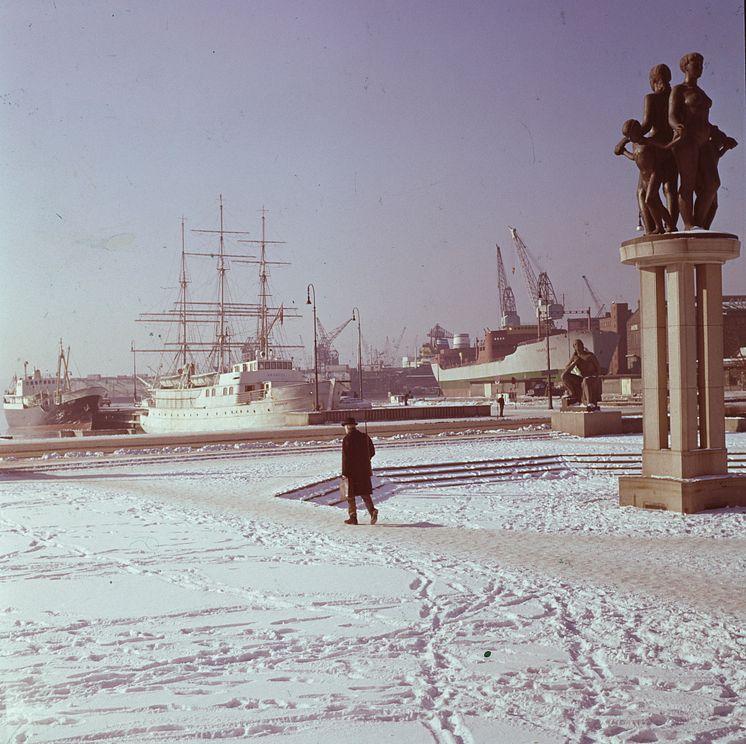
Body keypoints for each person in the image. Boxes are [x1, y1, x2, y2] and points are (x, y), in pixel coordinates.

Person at [668, 52, 737, 230]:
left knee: (713, 183)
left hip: (704, 141)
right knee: (688, 183)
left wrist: (722, 137)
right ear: (685, 67)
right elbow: (672, 116)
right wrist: (677, 126)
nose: (699, 68)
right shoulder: (679, 90)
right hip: (687, 141)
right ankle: (689, 224)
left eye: (701, 64)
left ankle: (699, 224)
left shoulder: (701, 93)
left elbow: (705, 122)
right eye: (696, 64)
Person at [615, 64, 679, 230]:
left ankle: (651, 230)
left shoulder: (651, 98)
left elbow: (645, 125)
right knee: (670, 189)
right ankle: (669, 227)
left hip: (655, 151)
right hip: (674, 147)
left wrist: (625, 140)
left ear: (654, 81)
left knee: (642, 193)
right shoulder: (676, 96)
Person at [616, 118, 679, 234]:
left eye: (630, 136)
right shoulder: (635, 145)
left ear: (637, 132)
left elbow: (666, 147)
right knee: (654, 202)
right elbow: (634, 157)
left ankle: (665, 226)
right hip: (645, 178)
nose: (629, 139)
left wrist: (678, 138)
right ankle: (663, 226)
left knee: (650, 199)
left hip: (654, 174)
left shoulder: (649, 142)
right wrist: (624, 152)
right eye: (627, 137)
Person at [341, 416, 377, 525]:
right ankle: (372, 511)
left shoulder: (347, 439)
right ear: (354, 426)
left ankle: (353, 517)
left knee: (350, 496)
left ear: (347, 427)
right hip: (364, 471)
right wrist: (365, 460)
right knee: (365, 493)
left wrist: (344, 473)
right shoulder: (364, 437)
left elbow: (345, 458)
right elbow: (372, 452)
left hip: (352, 472)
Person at [561, 339, 603, 411]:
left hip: (592, 379)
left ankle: (590, 403)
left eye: (580, 344)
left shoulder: (590, 356)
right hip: (582, 379)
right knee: (564, 376)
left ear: (583, 346)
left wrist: (595, 377)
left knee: (586, 380)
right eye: (576, 345)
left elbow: (599, 369)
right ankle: (573, 394)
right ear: (574, 347)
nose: (578, 346)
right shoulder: (575, 357)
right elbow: (566, 370)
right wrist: (575, 362)